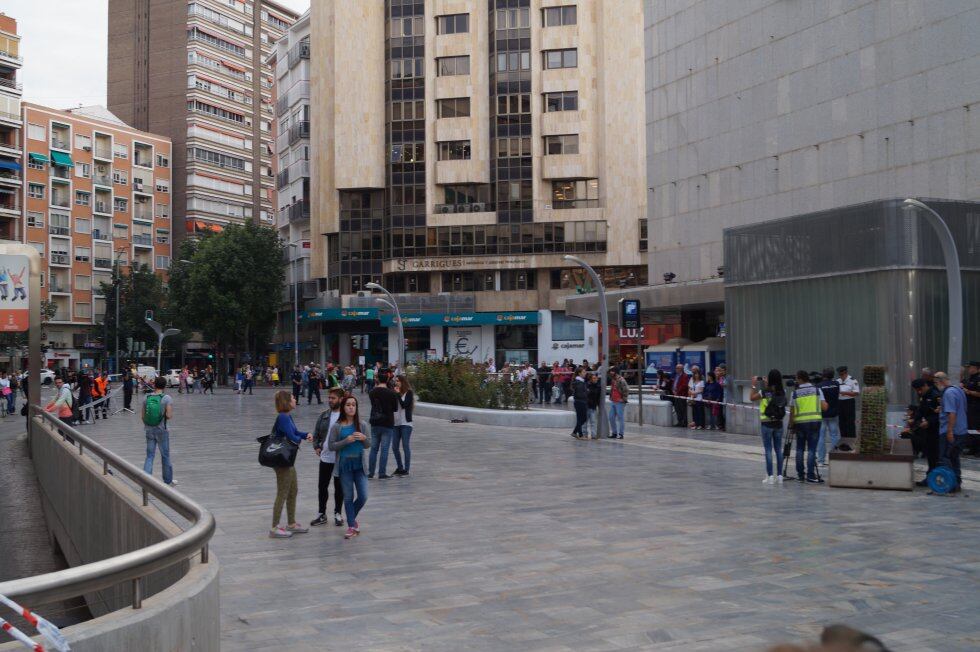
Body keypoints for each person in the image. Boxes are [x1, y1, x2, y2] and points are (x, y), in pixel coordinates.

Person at [267, 390, 313, 538]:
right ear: (287, 401)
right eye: (293, 398)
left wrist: (306, 435)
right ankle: (274, 527)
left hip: (287, 460)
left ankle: (291, 523)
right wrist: (300, 438)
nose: (295, 399)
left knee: (293, 490)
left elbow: (296, 432)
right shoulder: (283, 417)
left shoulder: (287, 416)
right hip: (282, 461)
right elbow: (292, 437)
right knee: (283, 492)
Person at [328, 394, 371, 539]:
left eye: (353, 405)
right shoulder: (337, 427)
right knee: (348, 497)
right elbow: (331, 446)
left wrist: (364, 438)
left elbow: (368, 444)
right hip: (344, 466)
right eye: (348, 405)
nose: (351, 407)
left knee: (363, 496)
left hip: (360, 465)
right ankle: (352, 526)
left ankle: (351, 518)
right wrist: (346, 440)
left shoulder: (363, 425)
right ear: (343, 407)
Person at [310, 388, 346, 527]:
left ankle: (338, 513)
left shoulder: (346, 417)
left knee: (339, 487)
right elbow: (316, 434)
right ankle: (321, 513)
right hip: (325, 457)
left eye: (333, 398)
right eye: (329, 398)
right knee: (322, 486)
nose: (330, 400)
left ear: (340, 399)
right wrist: (317, 446)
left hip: (340, 457)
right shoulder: (324, 415)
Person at [789, 370, 828, 484]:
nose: (796, 380)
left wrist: (791, 426)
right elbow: (824, 407)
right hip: (814, 423)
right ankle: (811, 475)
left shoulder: (795, 393)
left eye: (796, 378)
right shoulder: (817, 390)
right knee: (811, 450)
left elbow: (792, 412)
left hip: (800, 423)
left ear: (800, 379)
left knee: (800, 449)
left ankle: (800, 475)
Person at [750, 370, 786, 484]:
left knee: (768, 450)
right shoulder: (782, 391)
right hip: (778, 423)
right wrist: (768, 384)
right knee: (778, 450)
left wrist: (754, 384)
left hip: (767, 423)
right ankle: (780, 476)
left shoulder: (764, 392)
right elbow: (774, 394)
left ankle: (770, 476)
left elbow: (752, 397)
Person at [935, 371, 969, 492]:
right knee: (954, 457)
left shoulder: (948, 393)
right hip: (961, 430)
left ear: (940, 381)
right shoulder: (958, 390)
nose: (936, 386)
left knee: (946, 457)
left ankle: (951, 484)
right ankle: (957, 482)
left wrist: (949, 431)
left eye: (936, 383)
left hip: (950, 431)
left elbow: (952, 413)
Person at [142, 376, 177, 487]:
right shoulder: (167, 398)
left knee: (149, 456)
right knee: (165, 455)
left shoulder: (146, 397)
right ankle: (168, 481)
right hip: (162, 430)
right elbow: (169, 415)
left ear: (154, 384)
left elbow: (142, 416)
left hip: (149, 430)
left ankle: (146, 482)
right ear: (164, 385)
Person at [367, 370, 398, 479]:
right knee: (384, 449)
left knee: (374, 449)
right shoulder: (391, 393)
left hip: (375, 422)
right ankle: (382, 473)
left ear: (378, 379)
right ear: (388, 379)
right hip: (387, 423)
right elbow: (395, 408)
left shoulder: (372, 392)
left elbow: (374, 405)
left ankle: (370, 473)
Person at [910, 378, 941, 485]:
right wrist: (915, 420)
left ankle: (933, 478)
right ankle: (931, 477)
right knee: (930, 454)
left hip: (936, 430)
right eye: (917, 390)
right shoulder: (924, 396)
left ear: (925, 386)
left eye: (920, 389)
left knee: (934, 455)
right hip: (927, 430)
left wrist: (929, 422)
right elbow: (921, 410)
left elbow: (939, 415)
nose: (919, 392)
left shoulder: (935, 395)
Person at [816, 368, 841, 465]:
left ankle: (821, 460)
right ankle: (835, 458)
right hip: (833, 413)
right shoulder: (836, 384)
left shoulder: (819, 386)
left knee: (821, 437)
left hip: (822, 414)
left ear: (823, 375)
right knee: (834, 436)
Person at [391, 375, 414, 476]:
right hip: (395, 423)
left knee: (405, 446)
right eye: (395, 381)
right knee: (394, 447)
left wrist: (398, 395)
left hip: (406, 424)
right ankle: (400, 467)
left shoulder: (409, 393)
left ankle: (406, 469)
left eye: (398, 381)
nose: (396, 383)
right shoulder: (395, 393)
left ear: (403, 382)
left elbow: (404, 405)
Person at [961, 361, 980, 453]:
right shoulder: (971, 378)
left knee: (976, 427)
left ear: (976, 368)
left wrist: (968, 391)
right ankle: (973, 448)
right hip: (970, 406)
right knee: (971, 427)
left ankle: (978, 449)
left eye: (971, 367)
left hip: (976, 407)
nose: (969, 369)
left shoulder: (978, 379)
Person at [836, 365, 860, 439]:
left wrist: (845, 393)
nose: (841, 376)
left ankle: (851, 439)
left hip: (849, 402)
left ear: (846, 373)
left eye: (842, 374)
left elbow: (856, 393)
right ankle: (843, 439)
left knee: (850, 422)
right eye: (840, 375)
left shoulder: (853, 380)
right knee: (841, 422)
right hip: (840, 403)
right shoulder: (837, 381)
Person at [607, 369, 629, 439]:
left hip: (620, 402)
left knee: (620, 417)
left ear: (615, 372)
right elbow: (612, 389)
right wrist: (611, 396)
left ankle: (621, 434)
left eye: (612, 371)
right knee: (611, 417)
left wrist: (623, 399)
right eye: (610, 371)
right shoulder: (613, 380)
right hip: (614, 401)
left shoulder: (621, 380)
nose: (610, 373)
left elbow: (626, 389)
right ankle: (614, 433)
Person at [569, 367, 589, 439]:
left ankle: (580, 435)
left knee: (580, 418)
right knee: (583, 418)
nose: (585, 373)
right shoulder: (579, 382)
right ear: (579, 373)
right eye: (584, 372)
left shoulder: (579, 381)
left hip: (579, 401)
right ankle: (575, 432)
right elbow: (580, 394)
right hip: (581, 402)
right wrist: (587, 393)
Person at [671, 363, 690, 427]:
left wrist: (677, 391)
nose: (676, 369)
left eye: (677, 368)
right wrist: (673, 390)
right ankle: (679, 421)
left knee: (683, 409)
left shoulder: (685, 376)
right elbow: (674, 383)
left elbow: (684, 385)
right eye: (676, 368)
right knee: (677, 409)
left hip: (682, 395)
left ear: (681, 369)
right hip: (675, 394)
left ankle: (684, 422)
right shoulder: (676, 375)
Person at [585, 372, 601, 439]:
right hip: (586, 406)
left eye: (596, 378)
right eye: (594, 378)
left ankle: (593, 435)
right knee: (585, 422)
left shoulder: (598, 386)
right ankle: (584, 434)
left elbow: (598, 397)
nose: (595, 379)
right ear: (590, 379)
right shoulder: (586, 385)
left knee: (593, 422)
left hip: (593, 406)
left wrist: (599, 405)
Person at [715, 365, 728, 431]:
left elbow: (724, 384)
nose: (721, 372)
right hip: (723, 396)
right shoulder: (721, 378)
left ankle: (725, 426)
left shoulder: (727, 378)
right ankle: (723, 425)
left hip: (727, 397)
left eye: (722, 370)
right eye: (720, 371)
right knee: (723, 412)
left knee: (725, 412)